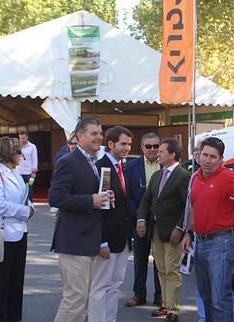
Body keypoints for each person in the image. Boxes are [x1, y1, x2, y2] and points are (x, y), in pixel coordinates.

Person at [180, 137, 234, 322]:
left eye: (213, 157)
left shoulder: (228, 177)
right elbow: (193, 207)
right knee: (206, 296)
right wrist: (188, 233)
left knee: (219, 299)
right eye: (204, 155)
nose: (207, 160)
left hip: (221, 243)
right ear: (198, 155)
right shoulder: (195, 176)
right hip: (199, 242)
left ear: (221, 159)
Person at [49, 118, 113, 322]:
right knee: (74, 299)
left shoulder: (92, 161)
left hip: (89, 240)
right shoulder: (68, 161)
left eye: (100, 133)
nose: (99, 137)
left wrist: (104, 198)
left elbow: (90, 196)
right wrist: (91, 200)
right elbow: (56, 197)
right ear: (79, 136)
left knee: (82, 299)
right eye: (94, 133)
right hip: (73, 241)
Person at [136, 138, 190, 321]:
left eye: (161, 152)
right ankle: (165, 305)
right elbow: (146, 200)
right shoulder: (157, 176)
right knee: (161, 269)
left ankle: (173, 310)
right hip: (156, 230)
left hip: (173, 232)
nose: (157, 154)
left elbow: (188, 206)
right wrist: (141, 218)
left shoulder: (183, 176)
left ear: (172, 155)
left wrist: (180, 228)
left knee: (172, 270)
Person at [0, 136, 35, 322]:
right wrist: (24, 211)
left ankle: (15, 318)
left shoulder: (14, 172)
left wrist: (30, 207)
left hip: (19, 232)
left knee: (16, 283)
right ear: (9, 153)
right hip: (2, 235)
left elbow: (23, 195)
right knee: (2, 285)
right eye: (18, 152)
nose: (21, 155)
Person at [91, 126, 133, 322]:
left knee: (115, 284)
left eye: (129, 144)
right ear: (110, 144)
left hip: (122, 238)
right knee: (101, 286)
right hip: (108, 240)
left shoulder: (120, 167)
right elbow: (100, 209)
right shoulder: (104, 169)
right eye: (123, 143)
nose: (127, 147)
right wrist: (102, 241)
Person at [124, 132, 162, 308]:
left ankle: (160, 296)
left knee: (160, 259)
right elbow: (127, 195)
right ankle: (139, 294)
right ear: (142, 147)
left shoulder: (166, 165)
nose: (153, 149)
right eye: (149, 146)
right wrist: (138, 215)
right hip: (138, 219)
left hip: (161, 221)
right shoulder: (131, 167)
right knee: (140, 258)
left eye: (156, 146)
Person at [16, 131, 38, 202]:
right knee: (19, 188)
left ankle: (30, 204)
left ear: (27, 137)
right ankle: (20, 203)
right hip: (18, 172)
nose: (22, 140)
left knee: (29, 188)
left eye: (24, 138)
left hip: (29, 172)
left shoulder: (32, 146)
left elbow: (35, 159)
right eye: (21, 138)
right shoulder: (17, 146)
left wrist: (34, 172)